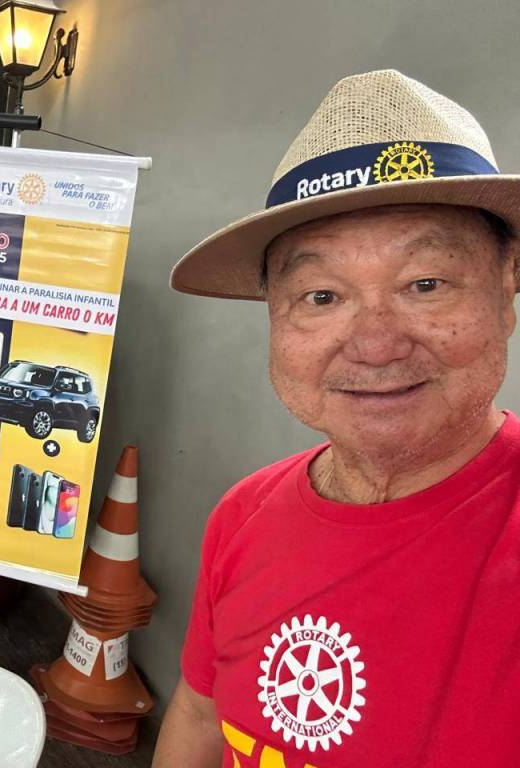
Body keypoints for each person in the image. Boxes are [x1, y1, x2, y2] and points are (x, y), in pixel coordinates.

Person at [154, 69, 520, 767]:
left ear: (506, 291)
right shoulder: (242, 515)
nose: (376, 344)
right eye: (321, 296)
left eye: (425, 284)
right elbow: (201, 712)